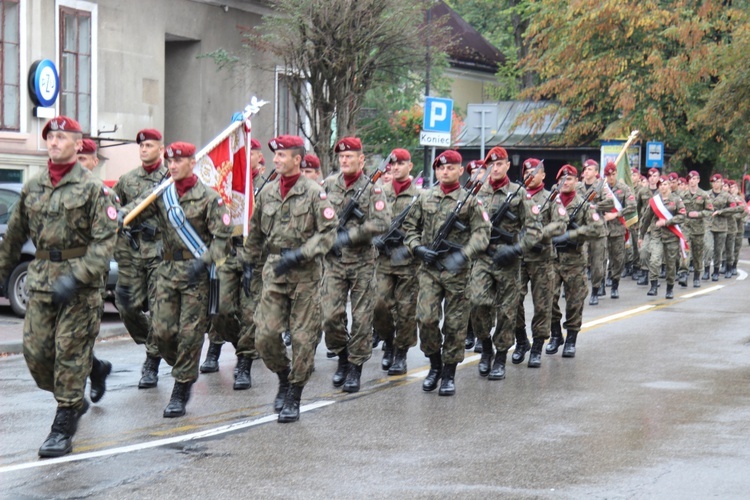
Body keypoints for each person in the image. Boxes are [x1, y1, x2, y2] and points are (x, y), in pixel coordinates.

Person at [0, 116, 118, 457]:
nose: (54, 141)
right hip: (40, 280)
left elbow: (103, 244)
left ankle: (64, 421)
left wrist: (77, 277)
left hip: (80, 287)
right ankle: (94, 368)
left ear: (78, 144)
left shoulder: (95, 190)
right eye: (50, 136)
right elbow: (15, 235)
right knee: (37, 355)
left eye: (62, 136)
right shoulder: (32, 186)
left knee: (68, 353)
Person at [133, 142, 232, 417]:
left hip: (195, 275)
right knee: (162, 332)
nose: (172, 166)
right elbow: (137, 211)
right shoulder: (163, 196)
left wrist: (203, 265)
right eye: (169, 161)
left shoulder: (210, 198)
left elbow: (222, 241)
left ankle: (181, 387)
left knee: (190, 334)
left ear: (192, 162)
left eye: (178, 161)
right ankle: (183, 367)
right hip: (166, 271)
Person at [244, 135, 337, 422]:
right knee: (265, 336)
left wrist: (300, 255)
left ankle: (295, 393)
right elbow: (256, 232)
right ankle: (284, 377)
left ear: (297, 160)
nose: (276, 160)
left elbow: (329, 233)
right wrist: (247, 263)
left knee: (302, 338)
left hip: (305, 275)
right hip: (273, 270)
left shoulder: (314, 193)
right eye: (275, 155)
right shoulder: (267, 192)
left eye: (282, 155)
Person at [401, 149, 490, 395]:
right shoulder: (424, 198)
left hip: (457, 272)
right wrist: (418, 248)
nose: (445, 171)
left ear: (460, 171)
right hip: (430, 269)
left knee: (455, 324)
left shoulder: (472, 201)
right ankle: (435, 365)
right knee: (426, 319)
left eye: (450, 167)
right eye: (441, 168)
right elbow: (409, 228)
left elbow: (482, 234)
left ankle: (449, 372)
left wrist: (463, 254)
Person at [321, 137, 391, 393]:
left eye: (350, 156)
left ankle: (354, 367)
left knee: (361, 319)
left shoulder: (373, 189)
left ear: (361, 159)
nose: (345, 160)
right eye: (341, 157)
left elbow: (383, 222)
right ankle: (341, 356)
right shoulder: (328, 185)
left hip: (362, 262)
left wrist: (351, 235)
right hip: (334, 262)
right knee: (330, 317)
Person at [468, 147, 542, 380]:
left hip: (509, 259)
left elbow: (535, 230)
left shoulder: (520, 194)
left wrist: (517, 248)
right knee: (477, 303)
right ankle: (486, 348)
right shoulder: (478, 192)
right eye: (492, 164)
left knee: (508, 311)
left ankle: (500, 357)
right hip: (483, 256)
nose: (496, 167)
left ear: (508, 165)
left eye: (500, 163)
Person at [112, 129, 168, 388]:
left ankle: (152, 361)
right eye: (141, 145)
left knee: (158, 310)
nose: (144, 149)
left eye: (149, 145)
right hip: (134, 251)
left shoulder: (169, 178)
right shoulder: (127, 180)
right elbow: (115, 207)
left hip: (160, 252)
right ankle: (155, 343)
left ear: (161, 147)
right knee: (126, 306)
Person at [513, 158, 568, 368]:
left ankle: (537, 345)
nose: (529, 175)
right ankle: (521, 340)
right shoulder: (517, 197)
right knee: (513, 301)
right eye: (526, 172)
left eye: (534, 172)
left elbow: (561, 224)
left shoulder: (552, 199)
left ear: (543, 176)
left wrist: (539, 234)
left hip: (542, 258)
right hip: (519, 257)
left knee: (542, 304)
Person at [371, 148, 420, 375]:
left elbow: (426, 230)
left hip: (408, 262)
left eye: (401, 163)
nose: (396, 167)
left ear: (410, 166)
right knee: (379, 305)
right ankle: (388, 342)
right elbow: (370, 220)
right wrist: (375, 238)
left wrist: (411, 246)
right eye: (393, 164)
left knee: (406, 310)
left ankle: (400, 353)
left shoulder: (420, 196)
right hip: (383, 259)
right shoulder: (379, 192)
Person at [548, 165, 605, 357]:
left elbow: (599, 229)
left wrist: (574, 233)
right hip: (552, 259)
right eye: (562, 179)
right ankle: (556, 334)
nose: (566, 182)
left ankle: (571, 338)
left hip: (575, 260)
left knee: (574, 302)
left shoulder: (585, 205)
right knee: (548, 299)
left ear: (576, 182)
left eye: (570, 179)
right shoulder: (551, 203)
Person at [76, 139, 116, 404]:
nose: (77, 164)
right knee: (59, 339)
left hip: (88, 277)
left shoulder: (100, 192)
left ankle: (70, 405)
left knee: (79, 335)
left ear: (94, 161)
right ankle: (97, 369)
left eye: (83, 159)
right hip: (55, 275)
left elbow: (106, 237)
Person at [638, 175, 687, 298]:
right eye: (660, 185)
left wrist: (667, 222)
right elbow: (646, 219)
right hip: (657, 235)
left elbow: (682, 216)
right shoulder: (654, 201)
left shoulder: (676, 200)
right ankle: (653, 285)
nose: (663, 187)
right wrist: (641, 235)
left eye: (665, 184)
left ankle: (670, 288)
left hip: (671, 236)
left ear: (669, 185)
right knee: (654, 260)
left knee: (670, 264)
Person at [577, 159, 613, 304]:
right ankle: (580, 289)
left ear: (596, 172)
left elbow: (610, 203)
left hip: (598, 231)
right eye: (585, 169)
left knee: (598, 264)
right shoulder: (577, 187)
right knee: (581, 260)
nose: (586, 171)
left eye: (590, 169)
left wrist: (595, 206)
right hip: (582, 230)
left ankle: (596, 290)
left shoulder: (602, 186)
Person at [602, 161, 636, 299]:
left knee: (617, 258)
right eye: (608, 175)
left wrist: (616, 214)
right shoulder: (601, 189)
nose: (611, 177)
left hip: (618, 229)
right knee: (602, 259)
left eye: (613, 174)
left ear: (616, 173)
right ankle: (601, 285)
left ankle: (615, 284)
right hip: (603, 230)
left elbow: (632, 206)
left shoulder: (624, 188)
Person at [680, 170, 713, 287]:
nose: (692, 181)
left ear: (698, 180)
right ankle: (683, 273)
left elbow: (710, 211)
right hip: (686, 227)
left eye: (694, 179)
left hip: (698, 229)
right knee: (685, 250)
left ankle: (697, 276)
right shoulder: (682, 195)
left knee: (698, 254)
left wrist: (698, 214)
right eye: (690, 179)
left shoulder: (704, 195)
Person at [705, 173, 738, 281]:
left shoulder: (727, 196)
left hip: (722, 226)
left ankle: (716, 271)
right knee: (708, 248)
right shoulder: (706, 194)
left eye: (718, 181)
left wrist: (721, 211)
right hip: (709, 225)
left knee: (718, 251)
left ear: (721, 182)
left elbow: (734, 208)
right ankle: (706, 270)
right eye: (714, 182)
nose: (716, 184)